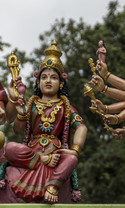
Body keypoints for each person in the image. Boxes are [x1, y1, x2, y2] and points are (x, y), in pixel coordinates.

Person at [4, 40, 87, 203]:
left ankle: (53, 186)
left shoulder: (65, 107)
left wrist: (75, 150)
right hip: (33, 153)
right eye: (44, 77)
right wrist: (21, 113)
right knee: (9, 148)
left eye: (53, 77)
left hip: (56, 153)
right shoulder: (32, 104)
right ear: (38, 82)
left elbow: (81, 127)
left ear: (61, 83)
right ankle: (40, 160)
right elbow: (17, 130)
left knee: (72, 160)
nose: (48, 81)